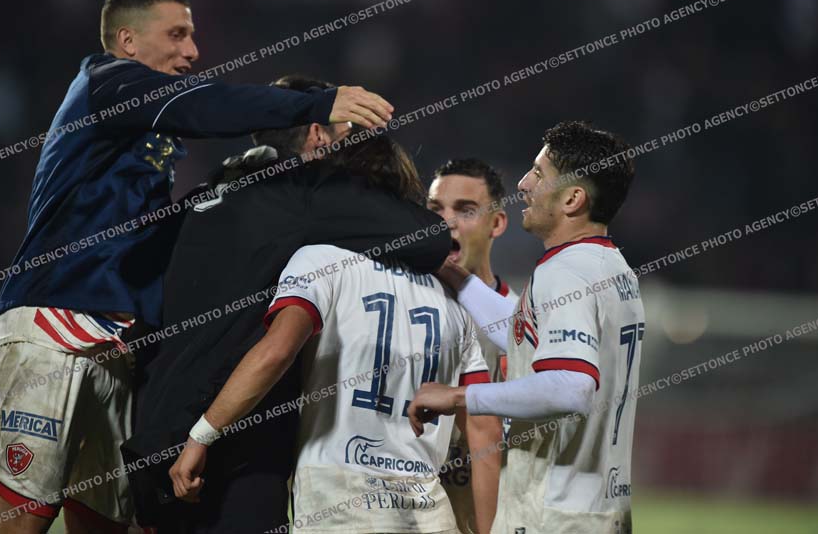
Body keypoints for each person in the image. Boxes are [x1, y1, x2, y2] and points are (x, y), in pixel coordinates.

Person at [0, 0, 392, 533]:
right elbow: (207, 105)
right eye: (176, 35)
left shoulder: (142, 134)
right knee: (28, 514)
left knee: (104, 521)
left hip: (116, 340)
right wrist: (317, 102)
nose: (192, 50)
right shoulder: (106, 83)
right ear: (127, 41)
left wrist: (227, 191)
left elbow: (156, 232)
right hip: (55, 319)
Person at [124, 122, 453, 532]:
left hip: (164, 425)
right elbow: (276, 350)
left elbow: (144, 294)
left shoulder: (206, 201)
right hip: (248, 443)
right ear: (316, 135)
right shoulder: (318, 229)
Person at [409, 121, 644, 533]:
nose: (523, 184)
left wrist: (459, 395)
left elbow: (571, 386)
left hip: (554, 516)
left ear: (572, 198)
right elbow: (520, 336)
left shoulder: (565, 271)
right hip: (597, 509)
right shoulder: (612, 267)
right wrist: (451, 272)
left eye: (538, 173)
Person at [427, 159, 517, 533]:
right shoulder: (402, 312)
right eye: (435, 209)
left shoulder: (521, 327)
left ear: (496, 223)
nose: (446, 222)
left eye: (465, 211)